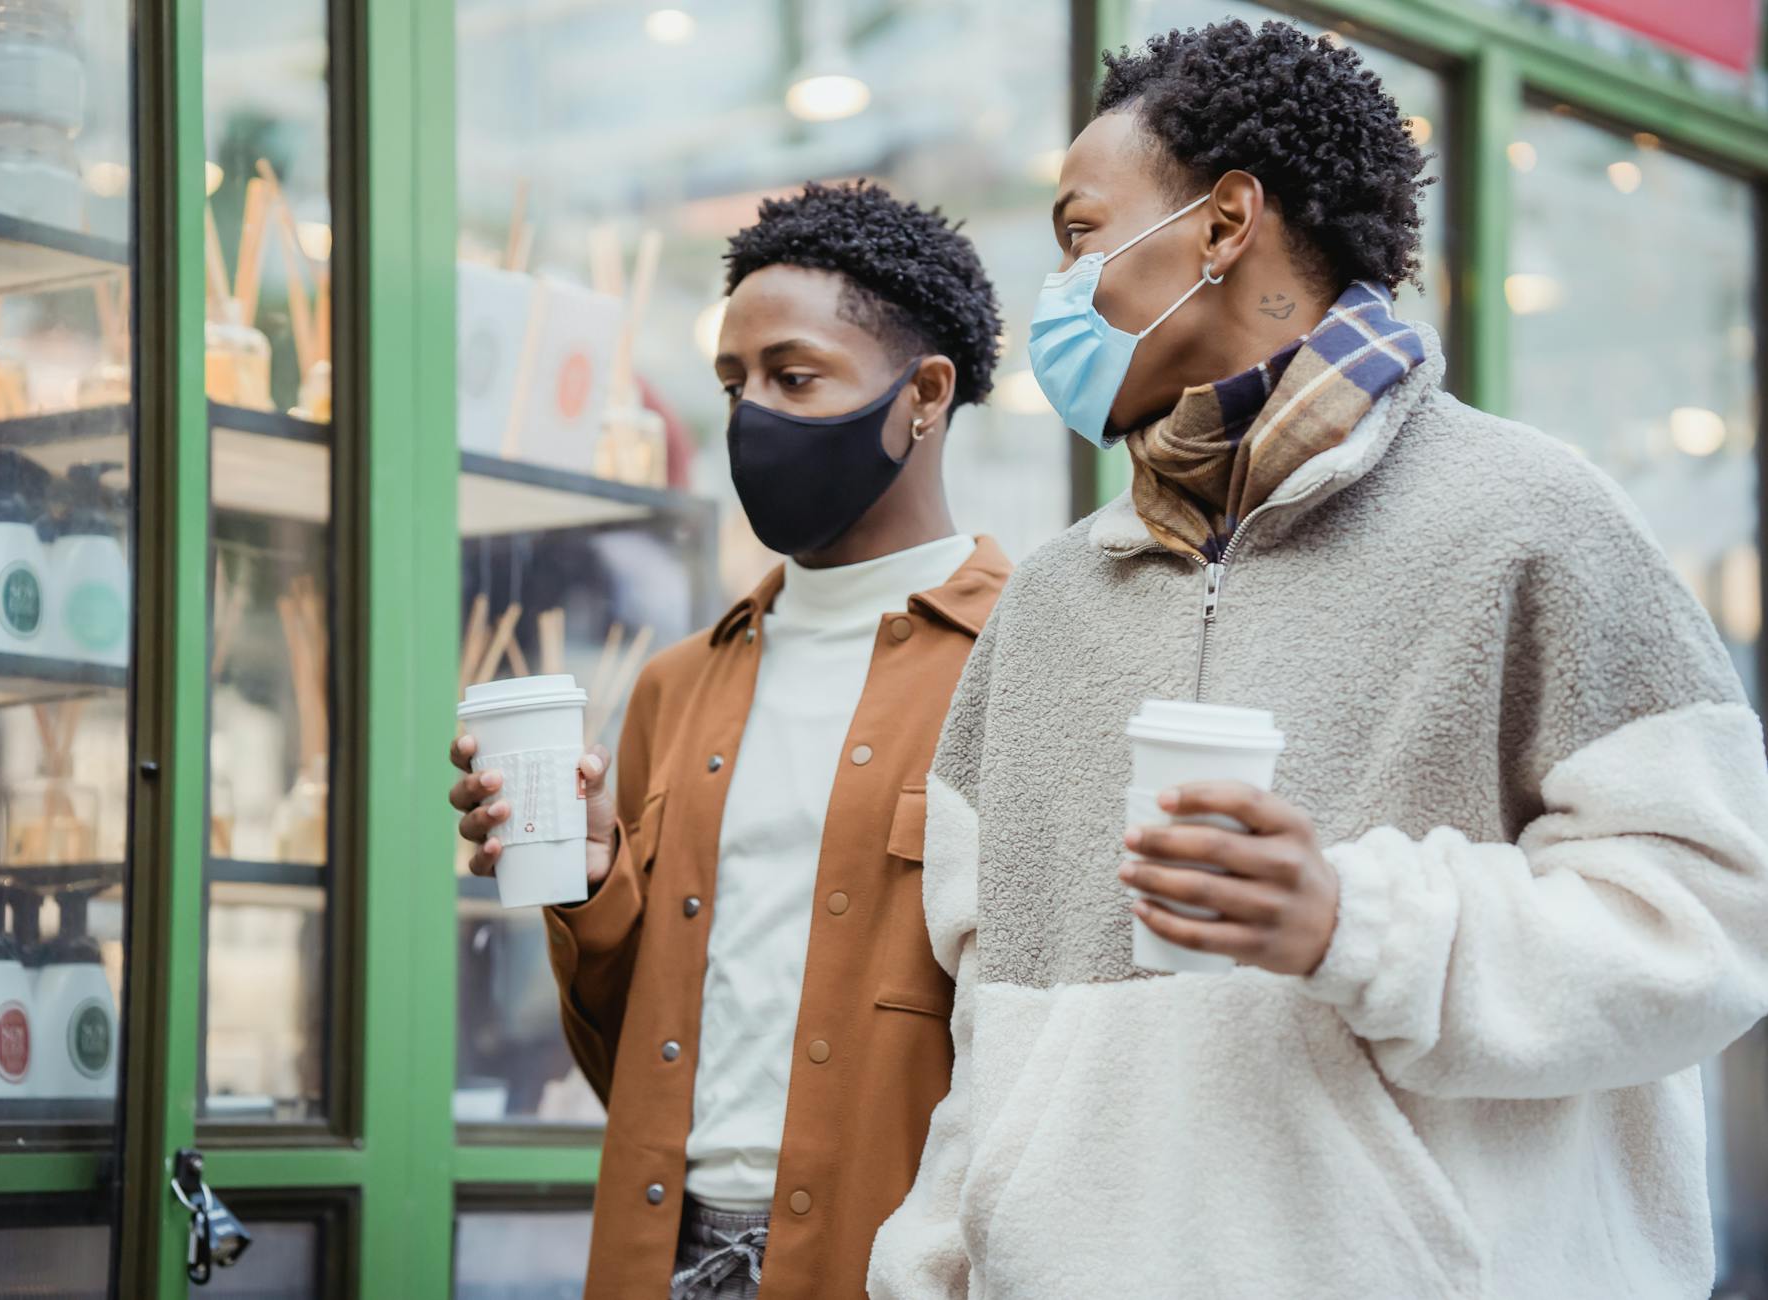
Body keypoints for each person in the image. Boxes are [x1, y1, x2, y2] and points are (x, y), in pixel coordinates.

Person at [870, 20, 1768, 1299]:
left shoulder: (1530, 515)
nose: (1059, 286)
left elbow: (1718, 921)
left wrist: (1356, 923)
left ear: (1226, 224)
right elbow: (991, 1020)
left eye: (1080, 232)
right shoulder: (1051, 601)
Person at [451, 180, 1011, 1299]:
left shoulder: (1027, 662)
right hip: (666, 1255)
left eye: (794, 377)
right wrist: (592, 881)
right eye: (733, 382)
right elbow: (630, 1059)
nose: (753, 414)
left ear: (926, 395)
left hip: (898, 1265)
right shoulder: (677, 686)